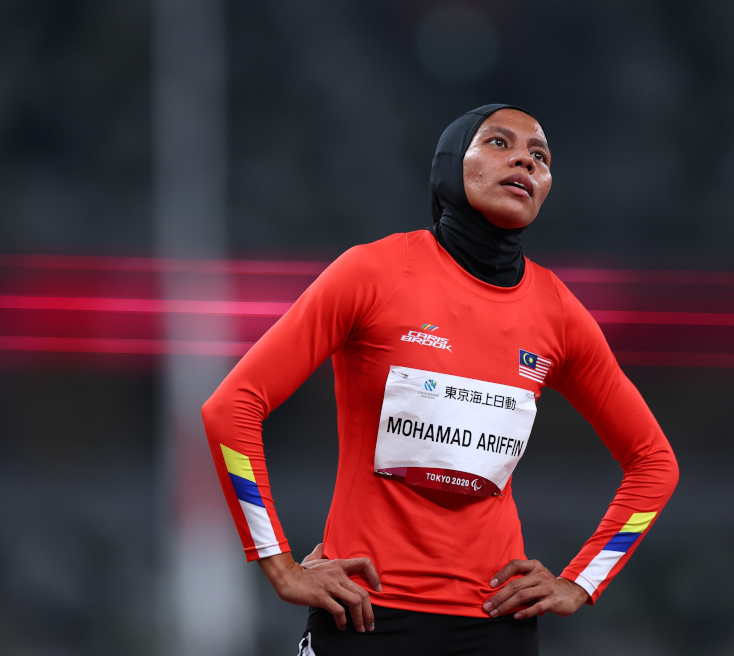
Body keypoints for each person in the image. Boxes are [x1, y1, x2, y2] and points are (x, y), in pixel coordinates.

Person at [202, 104, 679, 656]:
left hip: (495, 625)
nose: (525, 159)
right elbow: (231, 408)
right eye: (499, 142)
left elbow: (654, 463)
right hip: (365, 615)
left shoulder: (559, 313)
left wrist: (581, 581)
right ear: (451, 163)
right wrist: (278, 565)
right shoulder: (374, 273)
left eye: (541, 156)